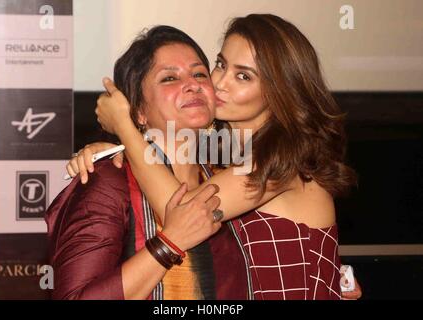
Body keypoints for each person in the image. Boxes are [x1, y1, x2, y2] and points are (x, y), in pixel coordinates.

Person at [73, 14, 360, 300]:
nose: (220, 82)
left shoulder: (286, 157)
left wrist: (124, 128)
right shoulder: (221, 160)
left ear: (279, 91)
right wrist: (112, 150)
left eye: (243, 76)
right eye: (221, 65)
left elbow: (185, 212)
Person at [45, 25, 251, 300]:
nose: (192, 84)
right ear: (139, 111)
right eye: (169, 78)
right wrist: (169, 243)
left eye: (200, 73)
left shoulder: (226, 179)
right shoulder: (109, 180)